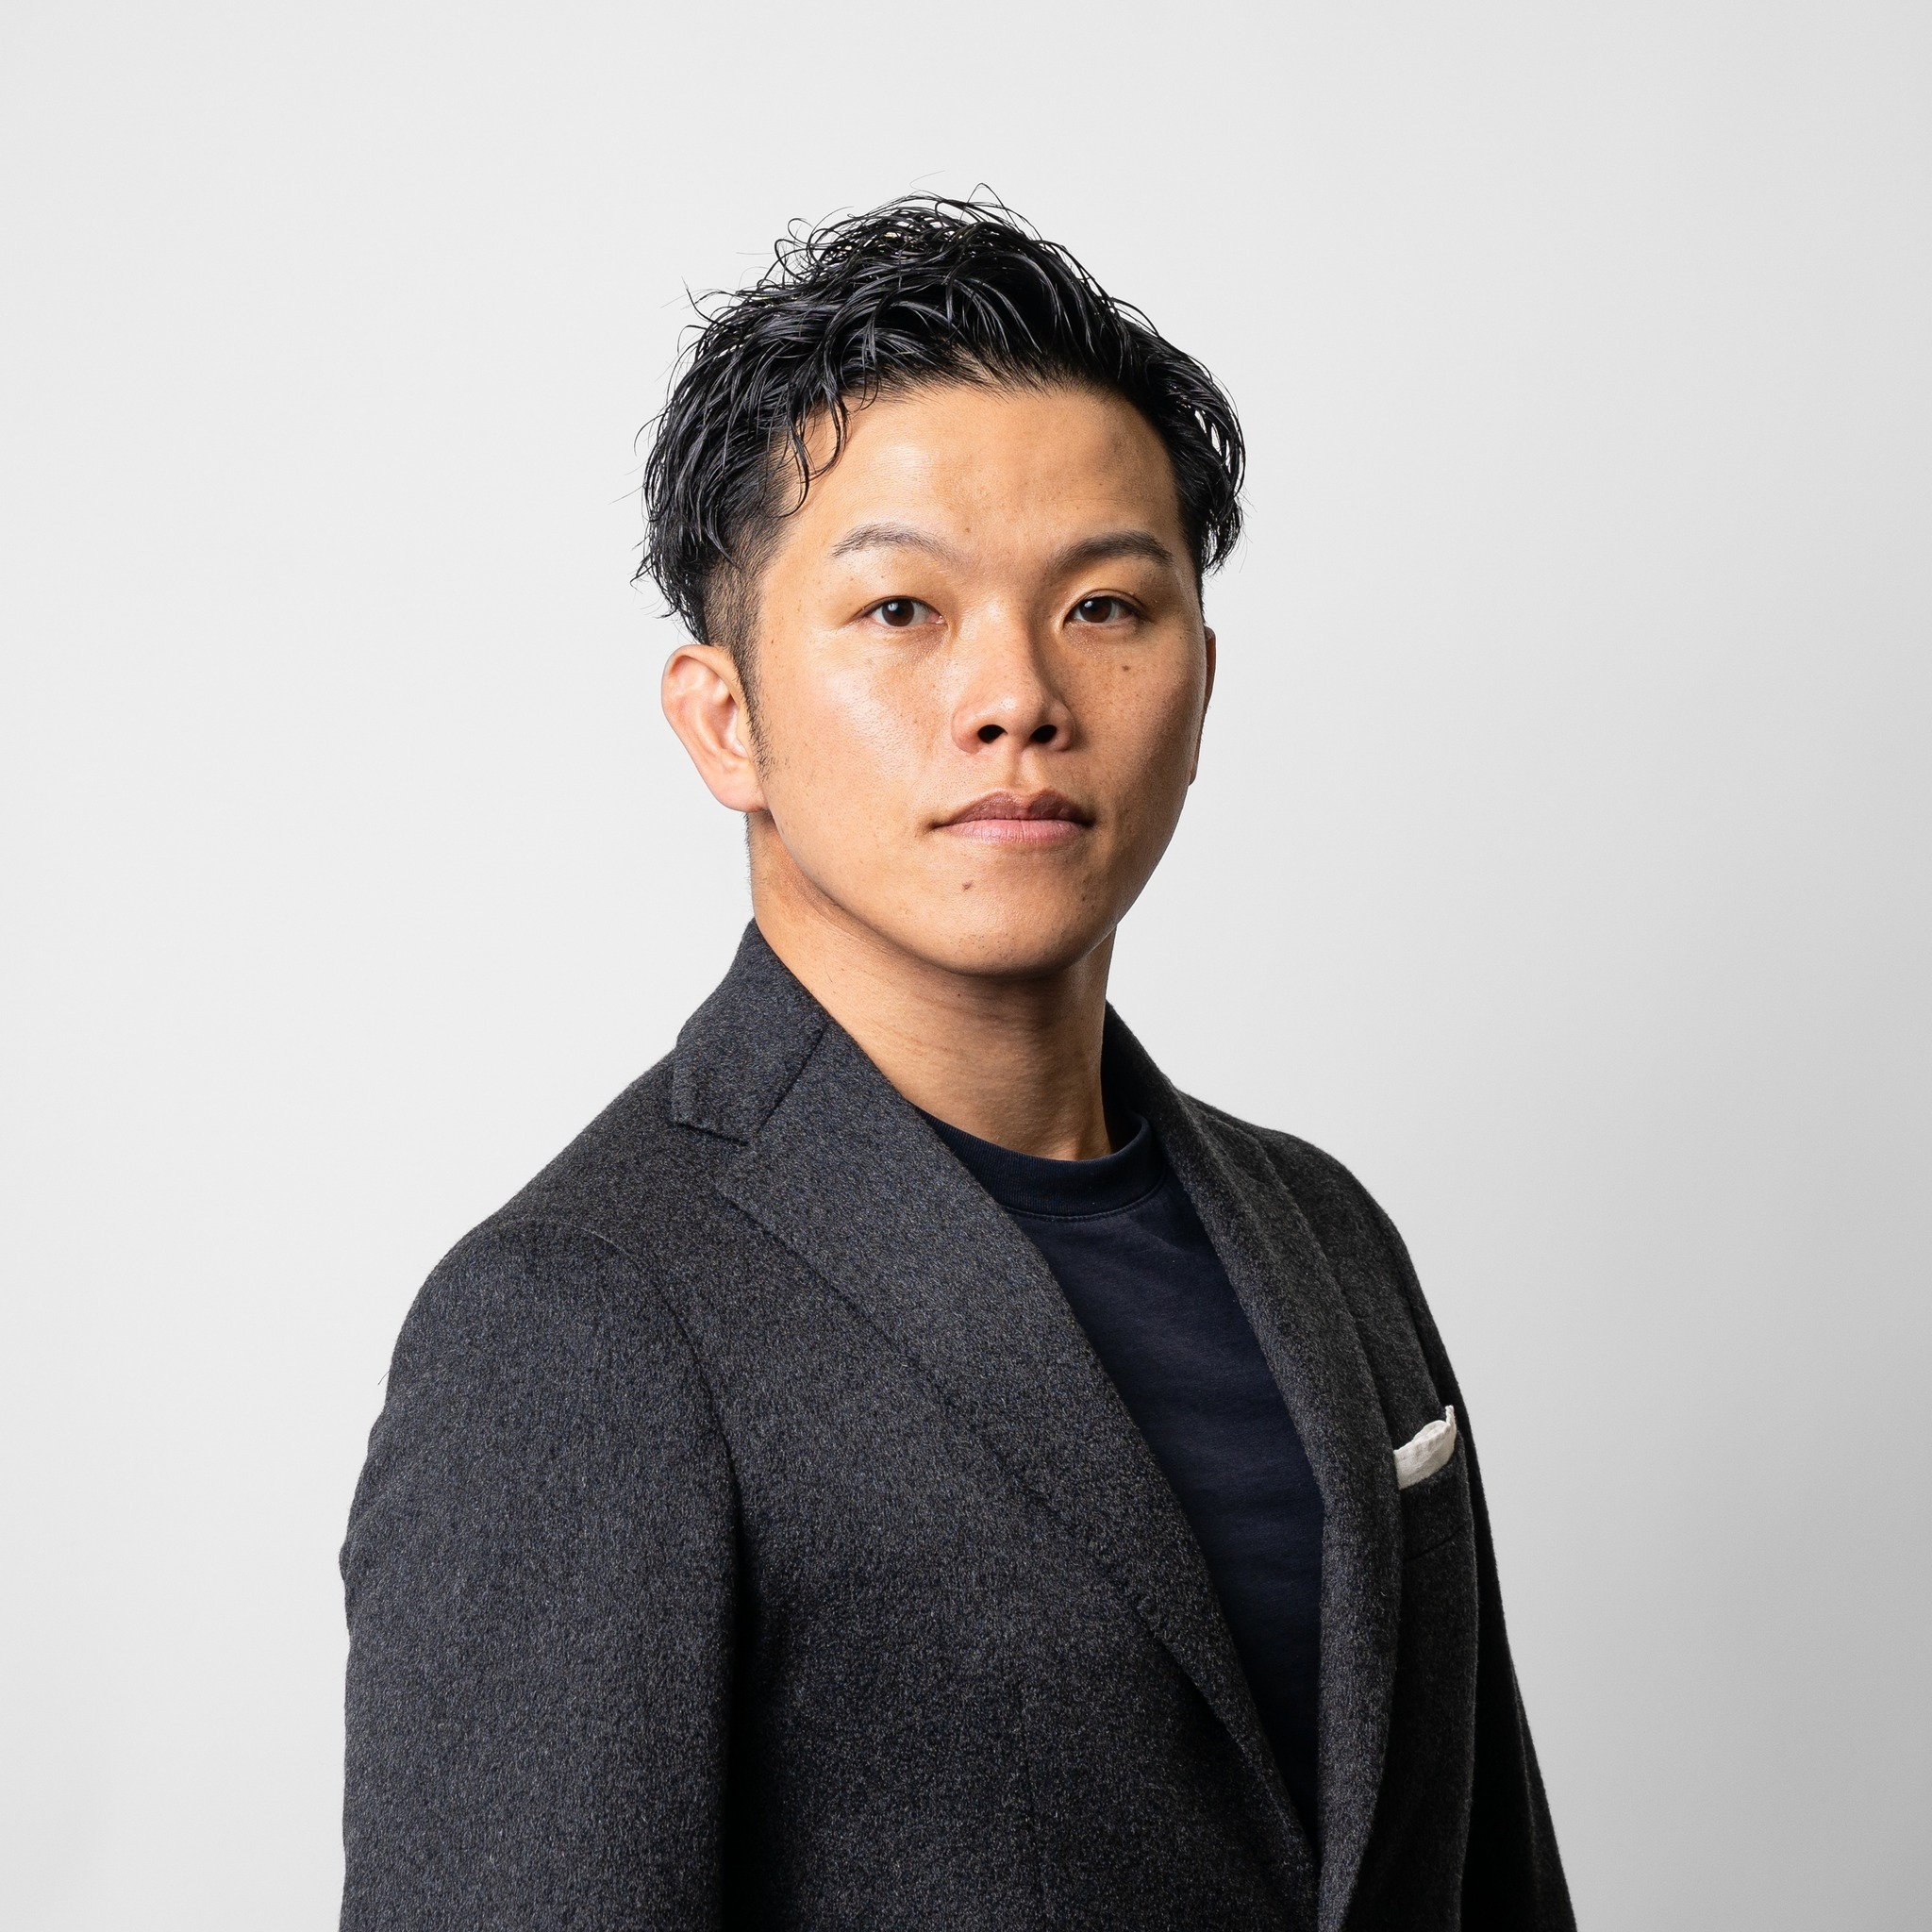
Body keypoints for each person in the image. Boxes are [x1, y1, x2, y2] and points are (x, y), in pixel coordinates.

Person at [339, 196, 1574, 1931]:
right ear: (725, 720)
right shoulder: (580, 1319)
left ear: (1201, 688)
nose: (1018, 697)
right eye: (904, 608)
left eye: (1105, 605)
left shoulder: (1329, 1234)